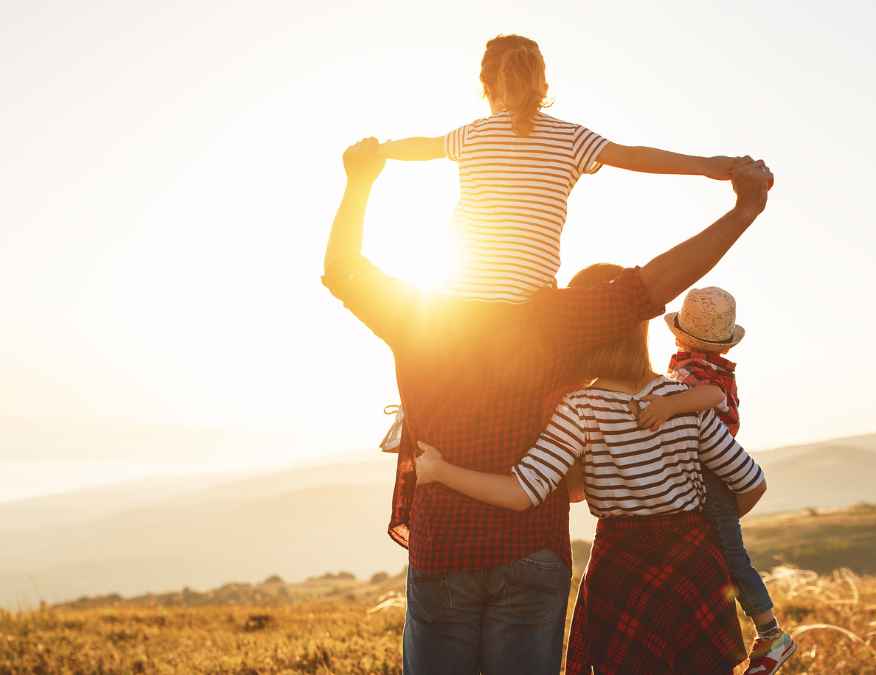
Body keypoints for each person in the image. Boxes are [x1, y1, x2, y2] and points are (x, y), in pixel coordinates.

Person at [322, 136, 774, 674]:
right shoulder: (559, 325)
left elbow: (342, 268)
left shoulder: (418, 314)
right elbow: (654, 285)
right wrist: (743, 210)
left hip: (444, 546)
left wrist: (360, 181)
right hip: (534, 549)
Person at [413, 263, 768, 674]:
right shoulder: (686, 399)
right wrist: (698, 532)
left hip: (624, 571)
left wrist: (440, 471)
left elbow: (523, 492)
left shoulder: (580, 409)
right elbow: (751, 482)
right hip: (695, 568)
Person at [377, 34, 742, 303]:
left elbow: (421, 146)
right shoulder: (570, 138)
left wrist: (379, 150)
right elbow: (635, 156)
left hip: (456, 300)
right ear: (543, 85)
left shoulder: (471, 135)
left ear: (486, 86)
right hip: (529, 304)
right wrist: (708, 166)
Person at [635, 286, 796, 675]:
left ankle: (771, 633)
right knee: (717, 554)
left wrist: (668, 405)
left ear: (678, 333)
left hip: (711, 474)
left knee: (730, 555)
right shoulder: (700, 366)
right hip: (707, 474)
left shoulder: (701, 374)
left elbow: (708, 397)